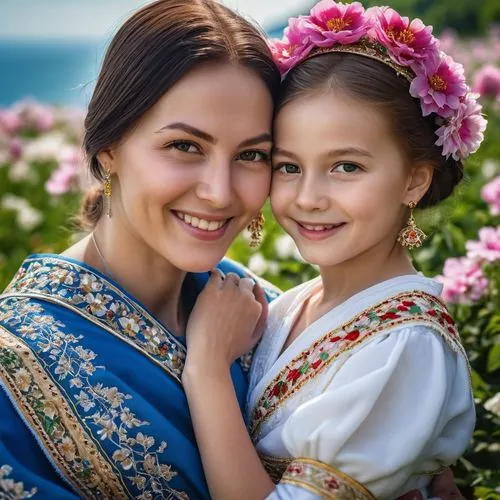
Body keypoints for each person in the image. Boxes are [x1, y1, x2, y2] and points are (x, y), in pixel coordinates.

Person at [182, 2, 483, 499]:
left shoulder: (406, 347)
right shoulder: (291, 305)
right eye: (288, 166)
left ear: (414, 179)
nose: (308, 198)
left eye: (346, 167)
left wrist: (208, 371)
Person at [0, 0, 281, 498]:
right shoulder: (12, 364)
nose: (220, 192)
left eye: (251, 155)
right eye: (184, 146)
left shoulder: (270, 313)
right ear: (108, 147)